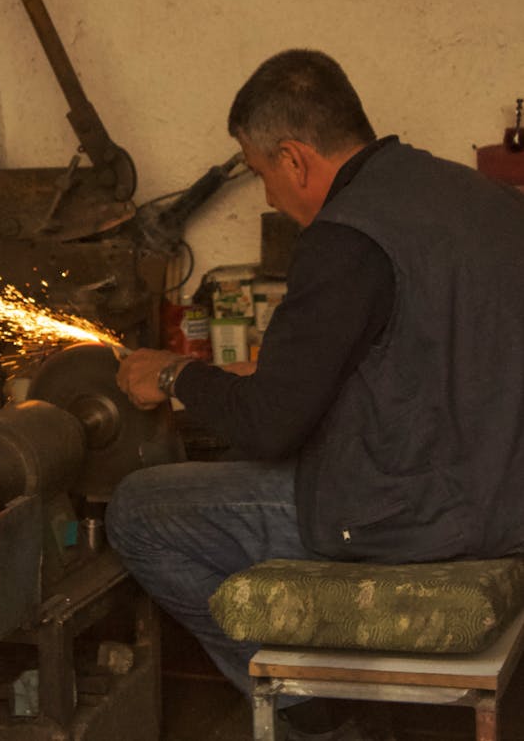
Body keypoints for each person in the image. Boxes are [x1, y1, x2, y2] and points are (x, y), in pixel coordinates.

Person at [105, 49, 524, 740]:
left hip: (418, 516)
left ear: (294, 158)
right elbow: (425, 357)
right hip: (505, 498)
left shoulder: (345, 236)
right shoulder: (484, 198)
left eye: (265, 173)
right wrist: (254, 380)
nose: (269, 197)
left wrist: (175, 375)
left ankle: (313, 710)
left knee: (141, 510)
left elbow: (270, 427)